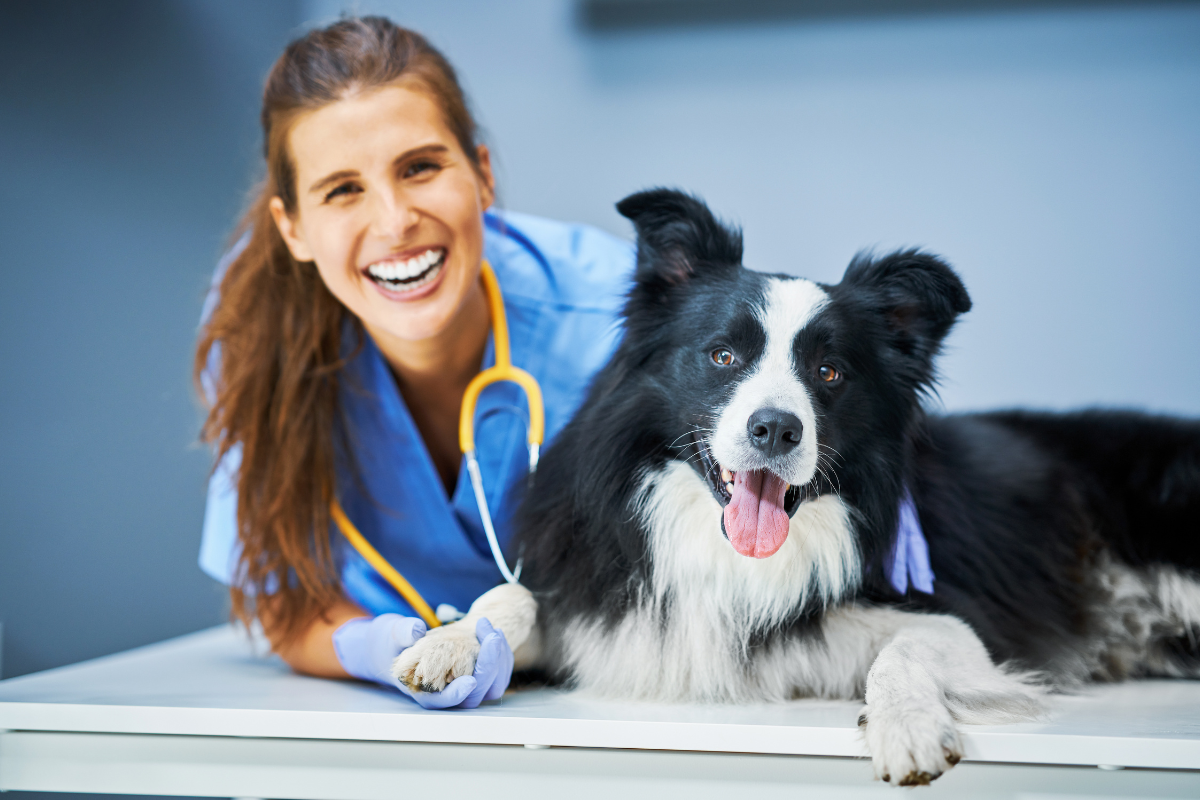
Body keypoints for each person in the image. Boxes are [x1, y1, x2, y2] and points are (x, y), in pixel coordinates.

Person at [195, 17, 633, 709]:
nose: (395, 220)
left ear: (482, 176)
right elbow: (282, 602)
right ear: (293, 229)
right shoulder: (253, 335)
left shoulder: (620, 322)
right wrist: (378, 655)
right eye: (342, 190)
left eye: (420, 167)